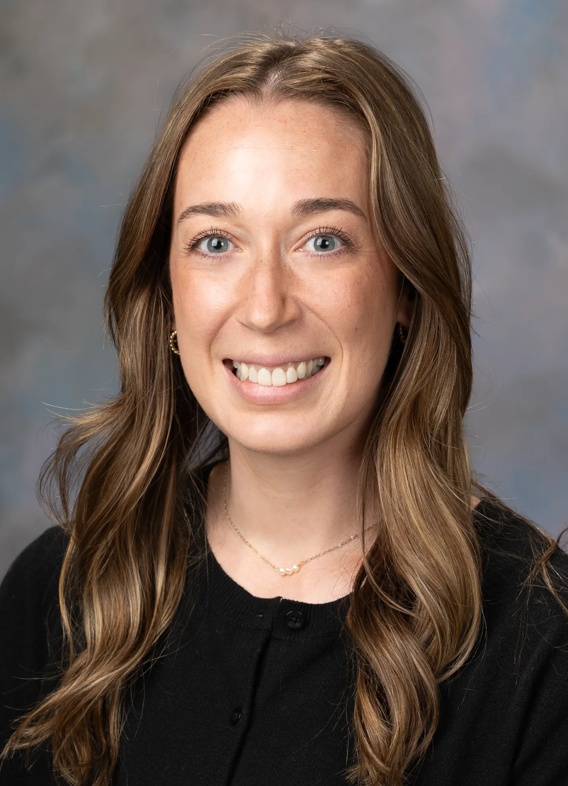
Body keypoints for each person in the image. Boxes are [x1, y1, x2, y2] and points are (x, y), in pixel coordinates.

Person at [1, 32, 567, 786]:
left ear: (405, 285)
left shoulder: (541, 646)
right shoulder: (59, 593)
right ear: (165, 291)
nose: (265, 307)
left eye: (323, 241)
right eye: (215, 242)